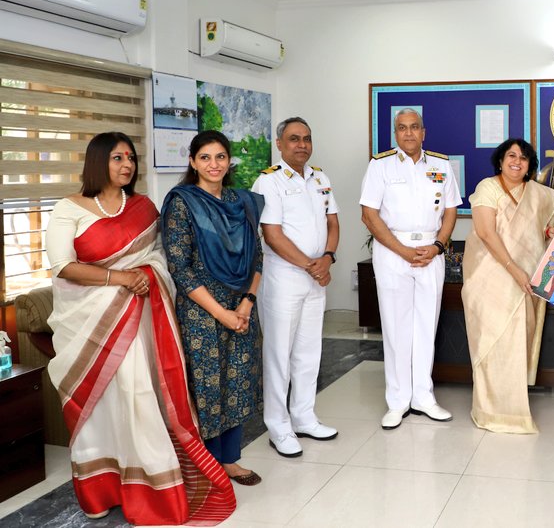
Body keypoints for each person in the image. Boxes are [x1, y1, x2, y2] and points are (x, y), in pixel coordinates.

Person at [45, 132, 235, 524]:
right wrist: (121, 278)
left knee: (139, 396)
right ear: (98, 161)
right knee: (102, 407)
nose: (126, 165)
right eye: (117, 158)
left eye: (130, 158)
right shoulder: (69, 208)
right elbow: (63, 266)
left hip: (141, 322)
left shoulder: (145, 207)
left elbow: (162, 258)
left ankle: (152, 489)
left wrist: (146, 274)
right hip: (91, 325)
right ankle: (102, 490)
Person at [161, 130, 265, 485]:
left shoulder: (243, 202)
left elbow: (257, 255)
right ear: (192, 162)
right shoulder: (182, 203)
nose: (214, 164)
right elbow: (180, 268)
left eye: (220, 157)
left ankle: (231, 459)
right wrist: (221, 313)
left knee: (237, 380)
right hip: (201, 311)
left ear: (229, 161)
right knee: (206, 386)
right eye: (205, 157)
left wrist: (247, 304)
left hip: (242, 305)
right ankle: (205, 463)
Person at [360, 108, 461, 429]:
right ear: (395, 133)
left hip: (431, 251)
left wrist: (438, 247)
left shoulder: (441, 165)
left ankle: (423, 397)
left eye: (414, 127)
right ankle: (398, 401)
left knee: (425, 326)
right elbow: (369, 214)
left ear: (423, 132)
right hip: (393, 252)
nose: (408, 133)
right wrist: (403, 250)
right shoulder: (380, 166)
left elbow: (450, 212)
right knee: (395, 327)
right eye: (401, 128)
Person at [251, 117, 340, 457]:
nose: (301, 144)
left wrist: (328, 258)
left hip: (317, 276)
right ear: (280, 144)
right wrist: (311, 266)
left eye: (306, 138)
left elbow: (333, 222)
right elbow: (272, 235)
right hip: (284, 278)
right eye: (293, 139)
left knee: (308, 351)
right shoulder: (268, 182)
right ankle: (278, 425)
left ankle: (303, 416)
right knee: (278, 354)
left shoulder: (320, 177)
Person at [462, 138, 554, 433]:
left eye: (524, 158)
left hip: (525, 279)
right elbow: (486, 233)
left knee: (516, 341)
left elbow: (538, 231)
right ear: (501, 160)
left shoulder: (537, 194)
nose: (517, 161)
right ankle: (489, 411)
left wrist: (549, 230)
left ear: (530, 165)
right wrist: (513, 270)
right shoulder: (487, 188)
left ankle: (515, 409)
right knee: (491, 341)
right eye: (511, 156)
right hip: (489, 276)